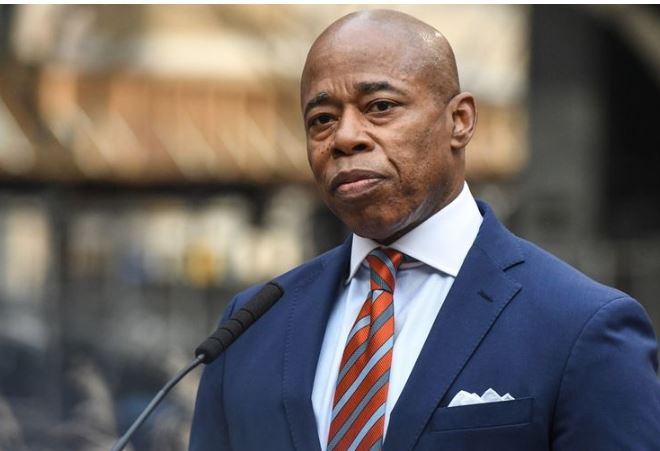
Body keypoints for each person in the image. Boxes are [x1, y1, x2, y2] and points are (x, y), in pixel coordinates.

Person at [190, 9, 660, 451]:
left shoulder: (582, 326)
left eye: (380, 106)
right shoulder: (249, 327)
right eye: (322, 119)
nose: (345, 137)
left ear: (460, 121)